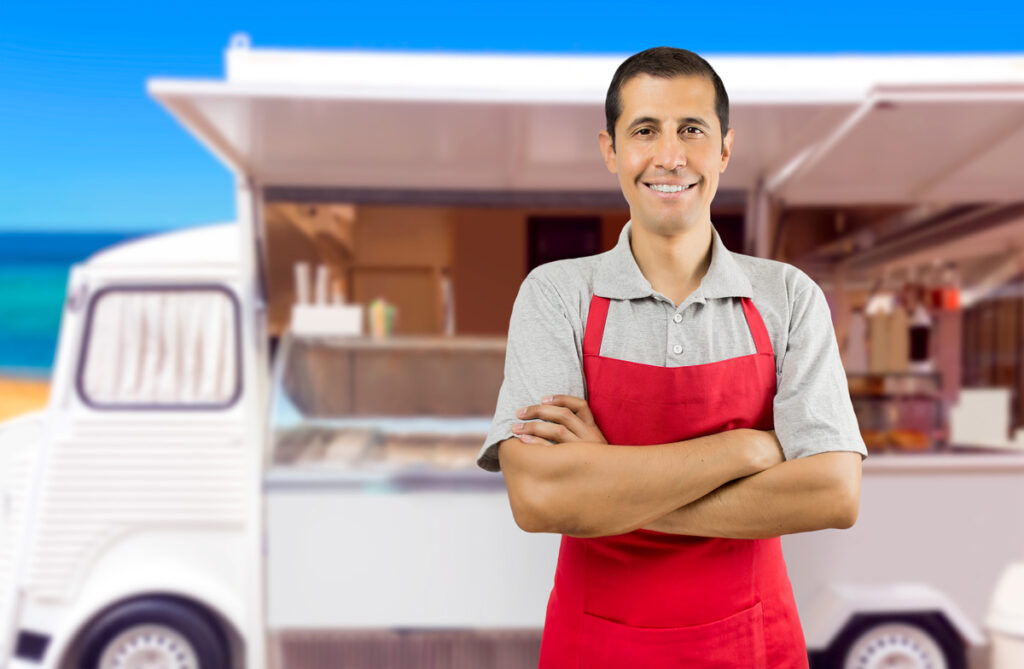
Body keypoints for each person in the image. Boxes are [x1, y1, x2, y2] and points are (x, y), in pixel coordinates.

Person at [476, 46, 866, 668]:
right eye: (644, 131)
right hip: (597, 647)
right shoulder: (557, 295)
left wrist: (606, 486)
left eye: (691, 130)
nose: (669, 156)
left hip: (752, 645)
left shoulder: (788, 296)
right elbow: (540, 498)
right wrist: (746, 450)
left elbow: (833, 493)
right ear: (610, 149)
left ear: (725, 149)